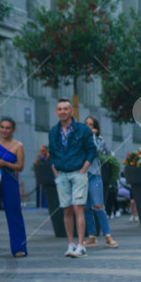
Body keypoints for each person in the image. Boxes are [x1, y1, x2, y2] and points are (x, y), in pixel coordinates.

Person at [48, 98, 96, 258]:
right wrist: (55, 169)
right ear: (56, 112)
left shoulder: (82, 129)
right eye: (59, 109)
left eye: (65, 109)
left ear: (71, 111)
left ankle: (81, 245)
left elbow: (92, 150)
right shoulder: (53, 132)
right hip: (61, 174)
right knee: (66, 209)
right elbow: (52, 153)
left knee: (78, 207)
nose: (62, 111)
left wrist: (84, 168)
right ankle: (71, 244)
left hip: (78, 173)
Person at [0, 117, 27, 258]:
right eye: (2, 127)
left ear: (13, 130)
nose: (4, 130)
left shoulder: (18, 145)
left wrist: (5, 163)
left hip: (10, 180)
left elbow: (20, 167)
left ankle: (19, 248)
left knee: (14, 213)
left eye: (7, 128)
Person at [82, 117, 118, 248]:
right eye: (86, 124)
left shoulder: (99, 139)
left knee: (98, 205)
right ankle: (92, 236)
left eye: (91, 125)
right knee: (85, 207)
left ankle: (107, 235)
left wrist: (92, 135)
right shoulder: (79, 139)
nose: (88, 126)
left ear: (95, 128)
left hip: (94, 175)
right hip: (81, 175)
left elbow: (95, 151)